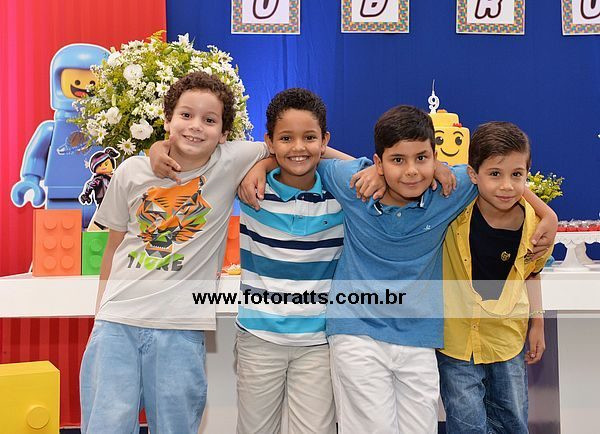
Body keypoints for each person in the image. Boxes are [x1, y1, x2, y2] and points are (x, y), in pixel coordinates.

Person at [240, 105, 556, 433]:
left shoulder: (450, 188)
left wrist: (547, 213)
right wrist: (264, 163)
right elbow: (307, 155)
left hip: (419, 336)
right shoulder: (356, 183)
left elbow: (499, 175)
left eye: (422, 158)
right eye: (397, 161)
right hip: (356, 331)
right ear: (378, 162)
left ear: (435, 158)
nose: (411, 171)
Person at [79, 71, 270, 433]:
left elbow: (292, 149)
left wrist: (259, 164)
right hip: (117, 322)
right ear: (167, 120)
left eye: (209, 120)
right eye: (185, 115)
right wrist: (100, 314)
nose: (196, 126)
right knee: (105, 425)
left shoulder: (229, 162)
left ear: (225, 134)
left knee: (176, 426)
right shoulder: (131, 171)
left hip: (181, 328)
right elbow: (113, 247)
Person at [235, 87, 345, 434]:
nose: (298, 147)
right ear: (269, 140)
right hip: (258, 338)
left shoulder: (341, 193)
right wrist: (263, 164)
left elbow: (372, 171)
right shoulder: (250, 189)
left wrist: (269, 159)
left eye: (309, 137)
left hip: (318, 343)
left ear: (325, 140)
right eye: (286, 138)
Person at [437, 122, 551, 433]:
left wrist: (538, 322)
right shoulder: (453, 212)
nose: (506, 186)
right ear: (473, 174)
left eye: (517, 175)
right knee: (466, 425)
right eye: (495, 174)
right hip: (457, 342)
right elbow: (411, 169)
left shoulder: (536, 226)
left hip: (506, 338)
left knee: (513, 421)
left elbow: (532, 273)